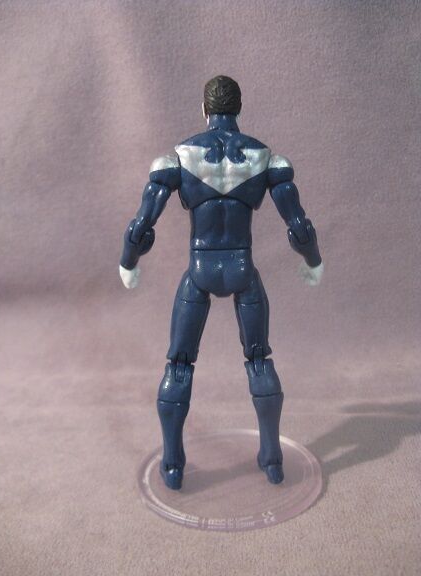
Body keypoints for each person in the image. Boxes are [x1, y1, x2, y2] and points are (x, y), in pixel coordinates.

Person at [120, 75, 323, 490]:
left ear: (204, 109)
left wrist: (129, 263)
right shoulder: (265, 158)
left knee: (179, 366)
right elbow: (299, 224)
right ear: (239, 108)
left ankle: (173, 465)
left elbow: (141, 225)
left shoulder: (179, 158)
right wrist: (313, 262)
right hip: (242, 268)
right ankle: (272, 458)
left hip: (200, 269)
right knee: (259, 360)